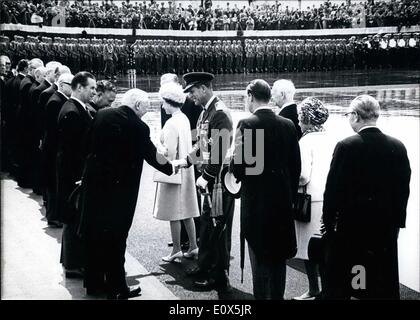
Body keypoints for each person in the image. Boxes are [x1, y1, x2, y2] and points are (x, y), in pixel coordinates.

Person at [78, 89, 174, 299]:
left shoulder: (101, 115)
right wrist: (172, 167)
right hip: (119, 194)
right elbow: (152, 156)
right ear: (138, 106)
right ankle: (118, 288)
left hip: (94, 189)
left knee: (95, 236)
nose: (145, 114)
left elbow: (85, 146)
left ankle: (93, 284)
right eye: (146, 109)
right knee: (116, 239)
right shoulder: (138, 127)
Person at [322, 95, 411, 300]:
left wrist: (329, 224)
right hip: (386, 227)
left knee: (356, 277)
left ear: (355, 116)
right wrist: (398, 224)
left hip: (353, 228)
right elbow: (403, 190)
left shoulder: (346, 146)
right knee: (382, 280)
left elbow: (333, 190)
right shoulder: (398, 146)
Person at [230, 79, 301, 300]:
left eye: (245, 97)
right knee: (279, 260)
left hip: (256, 204)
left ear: (251, 96)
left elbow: (240, 169)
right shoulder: (288, 125)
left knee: (259, 260)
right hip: (281, 203)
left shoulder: (247, 124)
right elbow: (295, 167)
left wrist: (233, 160)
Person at [176, 72, 234, 293]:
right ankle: (204, 266)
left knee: (217, 228)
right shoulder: (206, 112)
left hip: (217, 180)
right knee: (207, 226)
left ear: (203, 88)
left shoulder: (219, 114)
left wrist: (206, 177)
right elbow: (202, 145)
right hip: (208, 180)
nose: (190, 96)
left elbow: (218, 151)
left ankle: (218, 276)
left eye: (192, 91)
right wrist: (187, 161)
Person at [154, 81, 200, 261]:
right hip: (186, 171)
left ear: (168, 101)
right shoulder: (184, 118)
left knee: (174, 214)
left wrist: (158, 145)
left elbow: (168, 152)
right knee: (187, 211)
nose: (162, 106)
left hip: (174, 172)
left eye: (163, 102)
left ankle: (177, 249)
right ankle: (194, 246)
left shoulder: (171, 123)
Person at [56, 71, 96, 278]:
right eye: (91, 88)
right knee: (73, 220)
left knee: (72, 220)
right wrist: (79, 177)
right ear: (79, 87)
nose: (94, 92)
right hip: (74, 176)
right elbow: (72, 151)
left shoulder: (75, 107)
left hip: (72, 175)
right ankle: (72, 265)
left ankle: (70, 261)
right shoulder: (73, 111)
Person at [292, 97, 331, 300]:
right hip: (329, 199)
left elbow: (303, 175)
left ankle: (314, 289)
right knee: (326, 248)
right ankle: (328, 290)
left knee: (310, 251)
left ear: (307, 118)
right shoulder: (332, 138)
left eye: (300, 117)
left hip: (310, 201)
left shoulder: (305, 141)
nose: (298, 122)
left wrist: (289, 180)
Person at [42, 73, 74, 228]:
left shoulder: (61, 99)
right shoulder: (56, 101)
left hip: (54, 147)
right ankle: (53, 216)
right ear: (61, 85)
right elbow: (53, 129)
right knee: (53, 183)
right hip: (53, 147)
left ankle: (55, 214)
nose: (73, 87)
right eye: (70, 84)